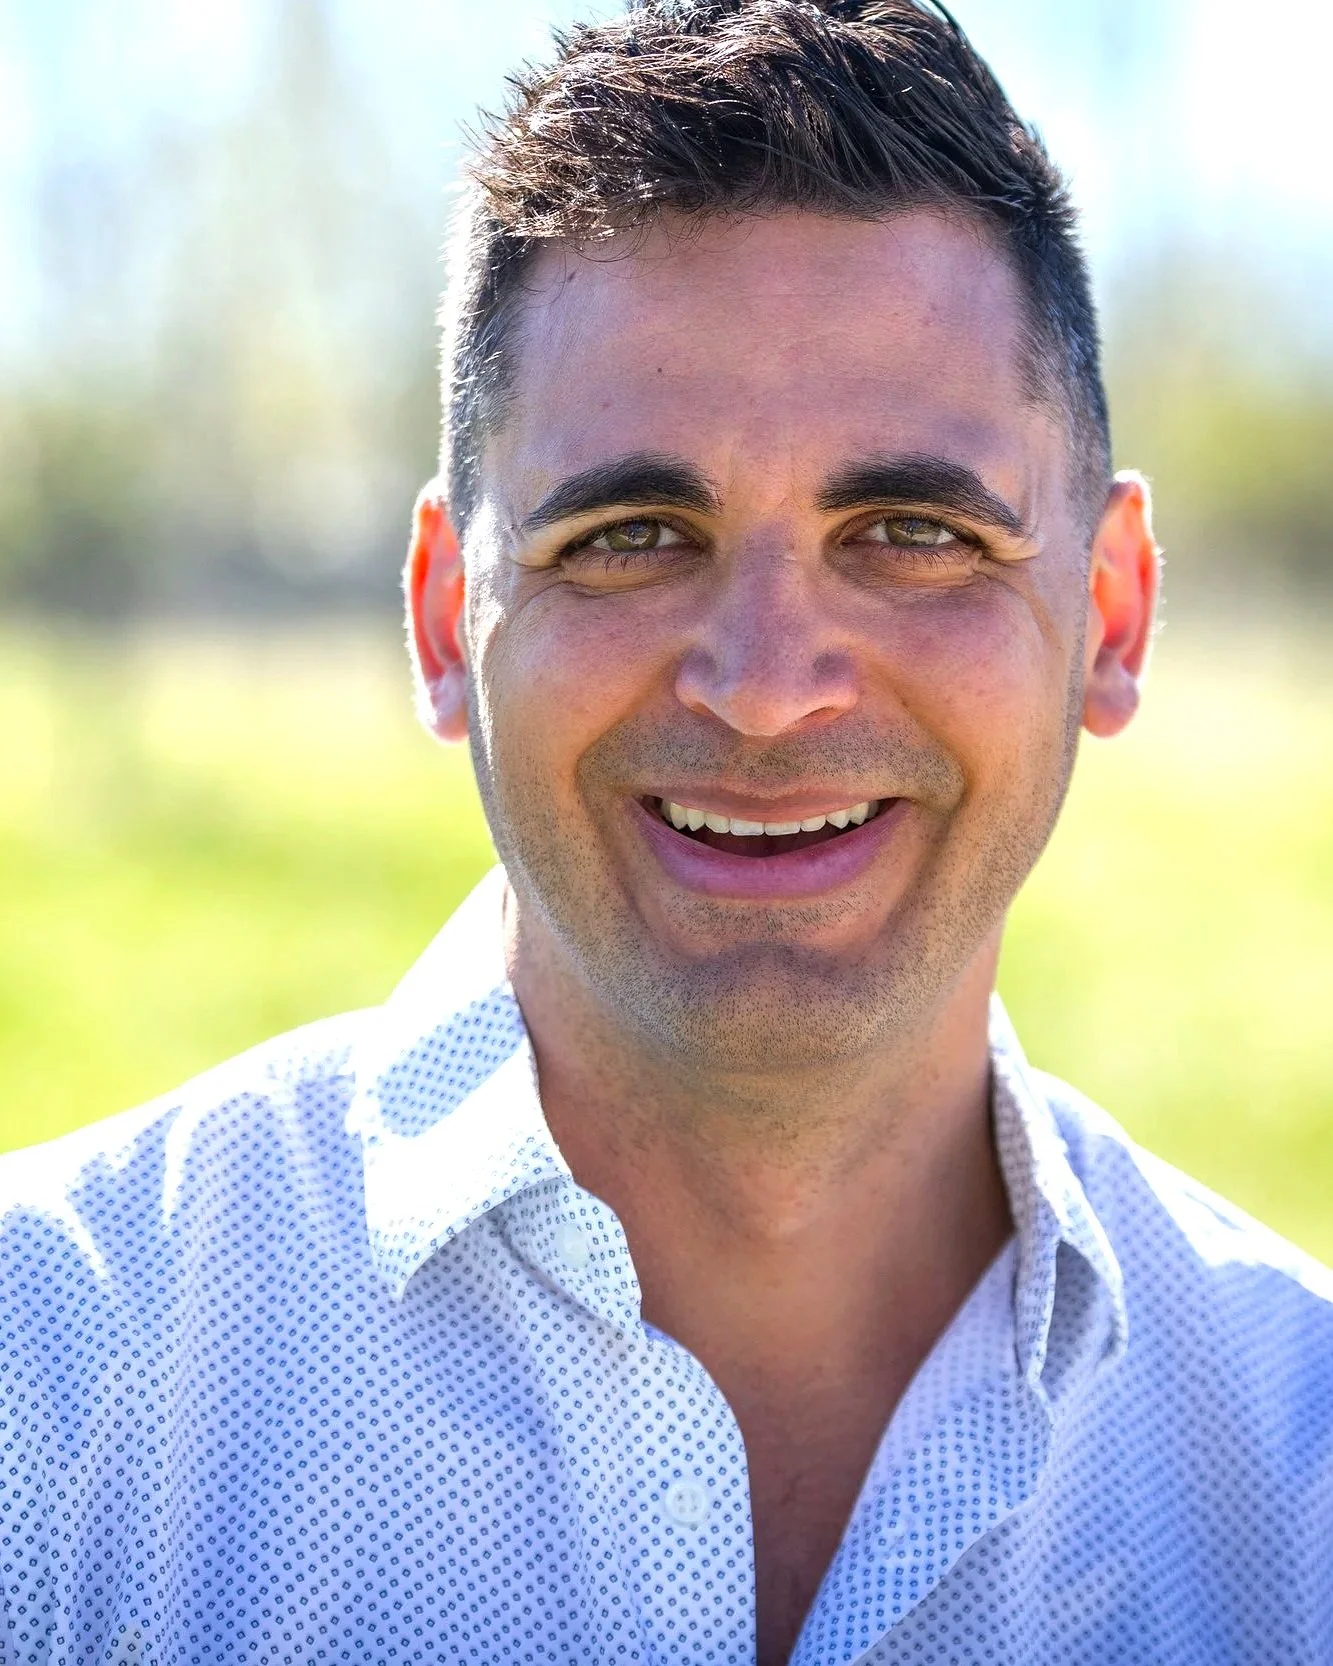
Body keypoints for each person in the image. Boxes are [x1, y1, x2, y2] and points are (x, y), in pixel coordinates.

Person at [2, 1, 1330, 1661]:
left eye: (912, 530)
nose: (767, 687)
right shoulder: (43, 1380)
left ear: (1113, 611)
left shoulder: (1300, 1478)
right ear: (440, 615)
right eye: (632, 535)